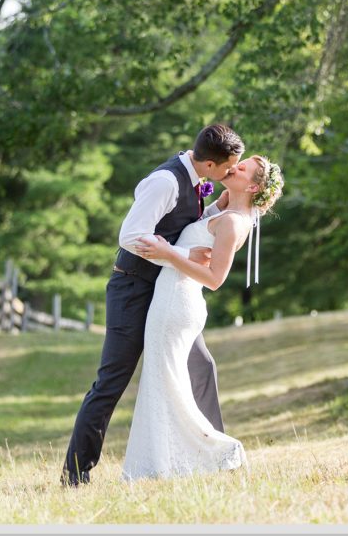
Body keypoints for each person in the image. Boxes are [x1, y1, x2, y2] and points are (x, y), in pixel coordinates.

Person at [61, 124, 244, 487]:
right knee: (112, 380)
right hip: (133, 289)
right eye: (227, 168)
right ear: (209, 165)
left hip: (167, 291)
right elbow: (129, 236)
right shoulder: (166, 181)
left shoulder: (198, 180)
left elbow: (180, 226)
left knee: (201, 367)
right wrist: (179, 254)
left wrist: (212, 212)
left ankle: (214, 456)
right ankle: (77, 473)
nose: (231, 174)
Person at [121, 154, 284, 481]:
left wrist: (167, 253)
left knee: (166, 383)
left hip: (176, 303)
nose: (232, 166)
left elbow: (214, 278)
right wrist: (215, 206)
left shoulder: (233, 221)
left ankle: (221, 451)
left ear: (252, 185)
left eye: (242, 168)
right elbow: (198, 238)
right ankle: (160, 464)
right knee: (164, 383)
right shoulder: (228, 213)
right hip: (173, 300)